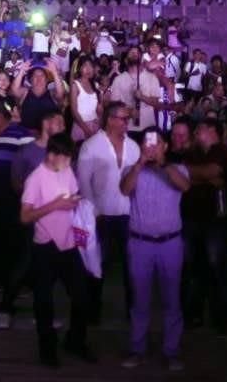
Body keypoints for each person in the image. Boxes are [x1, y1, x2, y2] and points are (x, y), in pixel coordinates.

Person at [20, 133, 96, 368]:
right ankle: (47, 349)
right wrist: (56, 205)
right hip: (45, 245)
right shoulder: (35, 178)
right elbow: (25, 216)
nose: (68, 163)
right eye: (64, 158)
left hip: (70, 242)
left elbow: (72, 193)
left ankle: (75, 340)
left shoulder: (67, 170)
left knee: (82, 296)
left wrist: (76, 202)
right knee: (44, 301)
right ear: (51, 155)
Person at [119, 127, 190, 372]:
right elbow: (125, 190)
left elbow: (185, 186)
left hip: (171, 243)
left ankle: (171, 350)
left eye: (157, 142)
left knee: (172, 300)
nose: (152, 146)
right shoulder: (132, 170)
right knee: (140, 300)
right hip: (140, 243)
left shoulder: (177, 168)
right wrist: (140, 163)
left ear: (166, 146)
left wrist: (162, 164)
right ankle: (137, 349)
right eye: (147, 142)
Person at [76, 101, 140, 323]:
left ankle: (134, 312)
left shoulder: (134, 147)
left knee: (131, 267)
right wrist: (94, 212)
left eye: (127, 118)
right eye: (123, 118)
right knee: (96, 266)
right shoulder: (92, 146)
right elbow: (83, 182)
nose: (126, 123)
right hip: (100, 216)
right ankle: (92, 312)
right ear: (111, 120)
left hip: (128, 215)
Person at [180, 118, 227, 334]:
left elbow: (209, 172)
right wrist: (201, 175)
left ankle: (224, 318)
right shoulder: (193, 153)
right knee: (193, 268)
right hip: (191, 218)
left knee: (218, 268)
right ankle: (193, 315)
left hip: (217, 220)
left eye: (199, 130)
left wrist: (194, 174)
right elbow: (184, 174)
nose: (195, 134)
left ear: (212, 131)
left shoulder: (225, 152)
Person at [0, 101, 35, 329]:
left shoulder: (22, 135)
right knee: (0, 247)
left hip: (15, 203)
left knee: (17, 247)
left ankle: (14, 293)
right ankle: (9, 289)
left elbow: (32, 166)